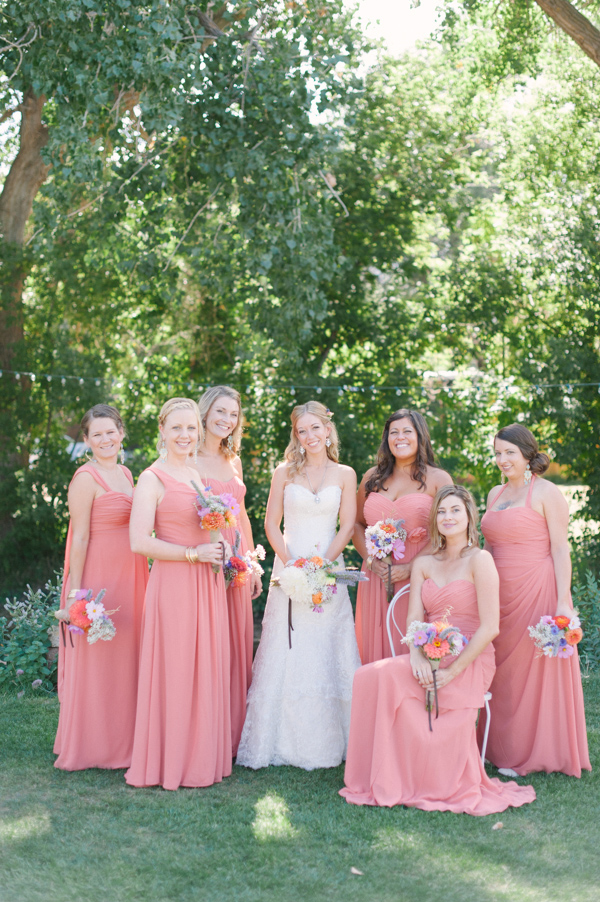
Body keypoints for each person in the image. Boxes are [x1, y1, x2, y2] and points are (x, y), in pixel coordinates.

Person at [340, 485, 536, 814]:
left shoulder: (481, 560)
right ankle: (378, 777)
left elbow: (491, 627)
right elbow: (415, 619)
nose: (448, 517)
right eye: (442, 511)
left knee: (440, 689)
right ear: (435, 520)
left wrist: (451, 672)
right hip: (430, 650)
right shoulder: (425, 563)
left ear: (469, 516)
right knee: (370, 677)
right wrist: (416, 656)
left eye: (455, 510)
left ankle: (439, 779)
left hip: (469, 657)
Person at [236, 401, 361, 770]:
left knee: (327, 644)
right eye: (302, 430)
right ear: (296, 434)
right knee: (287, 647)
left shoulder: (345, 473)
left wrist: (322, 566)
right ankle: (279, 741)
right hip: (289, 568)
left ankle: (333, 741)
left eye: (315, 428)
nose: (309, 436)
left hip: (329, 567)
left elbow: (348, 524)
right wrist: (294, 565)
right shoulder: (283, 473)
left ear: (327, 429)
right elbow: (272, 524)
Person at [125, 398, 232, 790]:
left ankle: (200, 758)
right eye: (177, 428)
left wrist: (221, 549)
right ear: (162, 431)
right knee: (177, 669)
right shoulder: (152, 478)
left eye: (191, 429)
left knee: (203, 667)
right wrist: (192, 554)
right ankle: (169, 761)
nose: (185, 435)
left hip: (205, 582)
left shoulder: (195, 474)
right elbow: (138, 541)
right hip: (173, 584)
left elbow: (210, 524)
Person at [479, 423, 591, 777]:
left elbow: (560, 548)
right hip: (498, 593)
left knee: (531, 673)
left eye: (509, 452)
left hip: (536, 590)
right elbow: (487, 548)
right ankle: (497, 747)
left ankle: (532, 752)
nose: (502, 459)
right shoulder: (494, 493)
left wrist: (562, 601)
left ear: (527, 454)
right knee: (501, 673)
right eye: (498, 452)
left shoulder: (546, 492)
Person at [54, 404, 148, 770]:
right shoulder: (85, 478)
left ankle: (124, 741)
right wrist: (77, 594)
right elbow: (79, 539)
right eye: (97, 434)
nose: (105, 439)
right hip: (99, 575)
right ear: (87, 440)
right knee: (98, 658)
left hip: (132, 573)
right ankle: (92, 744)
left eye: (111, 432)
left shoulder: (127, 472)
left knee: (126, 655)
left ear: (121, 432)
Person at [194, 385, 262, 757]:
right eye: (220, 412)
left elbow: (242, 514)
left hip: (236, 558)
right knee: (210, 642)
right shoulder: (188, 457)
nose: (227, 419)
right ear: (205, 413)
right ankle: (207, 732)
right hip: (206, 556)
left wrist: (251, 564)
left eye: (233, 414)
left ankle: (236, 735)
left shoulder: (231, 458)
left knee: (237, 643)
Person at [353, 409, 452, 664]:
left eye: (407, 431)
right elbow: (356, 524)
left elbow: (452, 532)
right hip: (376, 576)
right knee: (374, 645)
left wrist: (411, 567)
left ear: (420, 436)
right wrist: (370, 560)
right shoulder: (371, 477)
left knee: (411, 645)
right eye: (393, 432)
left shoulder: (438, 479)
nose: (400, 437)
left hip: (419, 576)